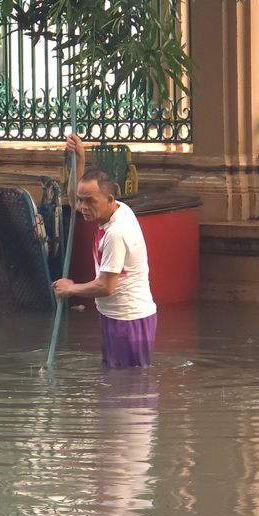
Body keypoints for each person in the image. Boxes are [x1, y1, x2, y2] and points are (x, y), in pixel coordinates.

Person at [53, 134, 157, 368]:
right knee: (114, 388)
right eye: (81, 201)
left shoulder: (115, 233)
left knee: (130, 389)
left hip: (129, 319)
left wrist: (72, 289)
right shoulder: (116, 210)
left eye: (90, 202)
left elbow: (106, 286)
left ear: (109, 199)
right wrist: (79, 159)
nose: (82, 207)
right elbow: (74, 196)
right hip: (115, 317)